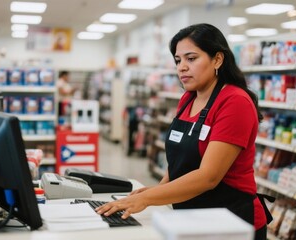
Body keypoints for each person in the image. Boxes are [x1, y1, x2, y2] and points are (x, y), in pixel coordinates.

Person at [95, 23, 273, 240]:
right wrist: (154, 191)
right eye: (178, 60)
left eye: (191, 58)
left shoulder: (235, 102)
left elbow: (209, 176)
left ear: (217, 59)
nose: (181, 67)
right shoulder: (188, 99)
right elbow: (180, 160)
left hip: (231, 222)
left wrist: (150, 198)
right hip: (192, 218)